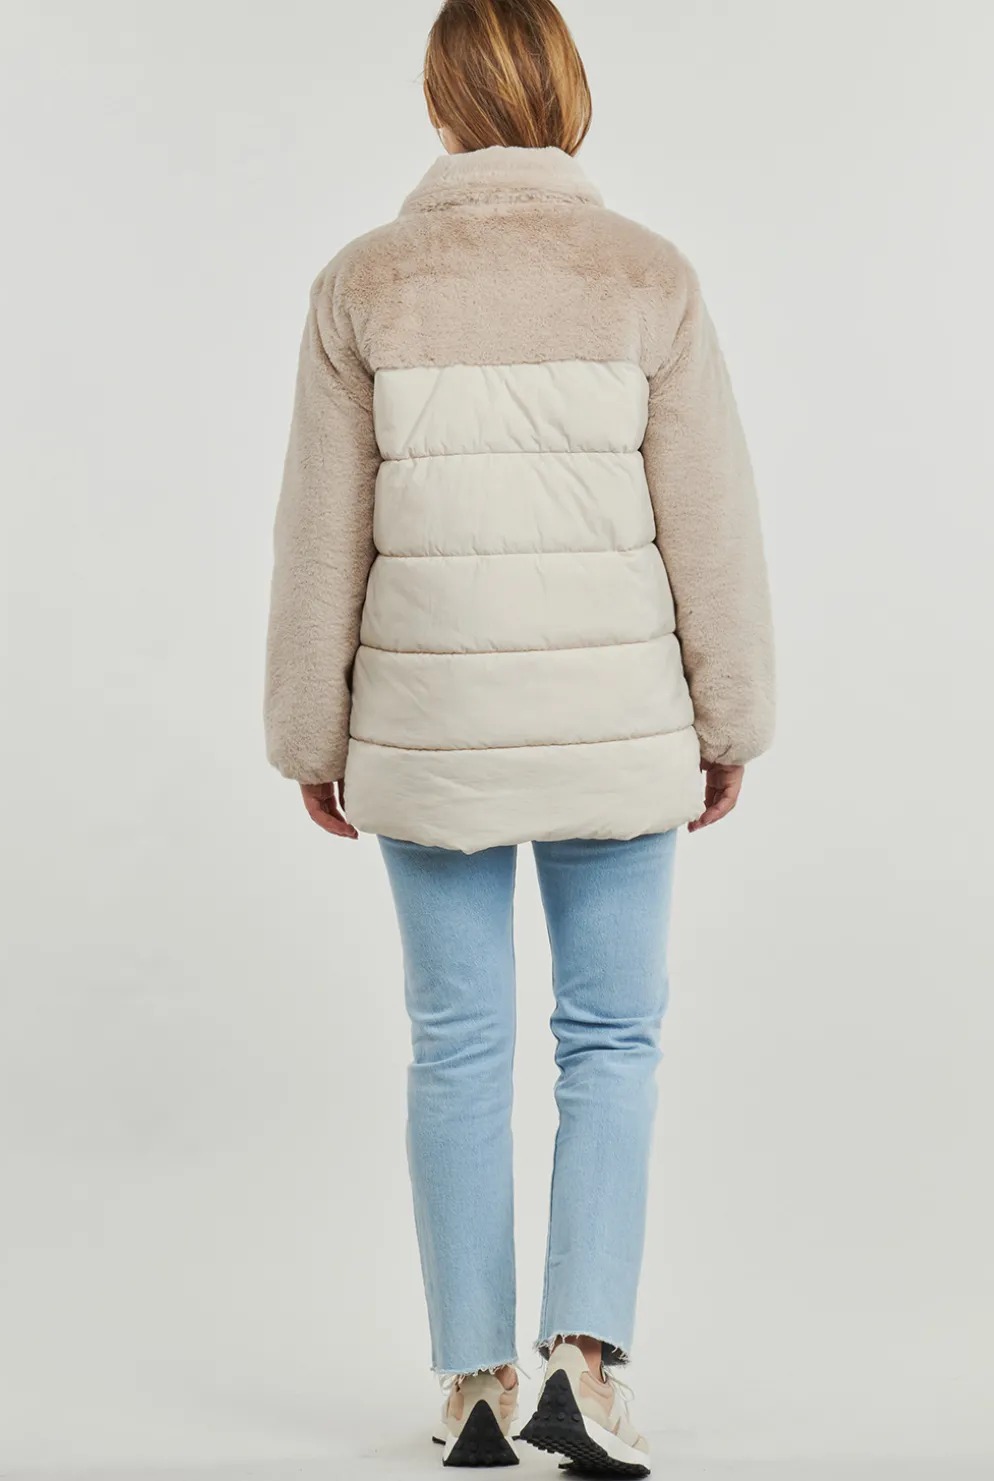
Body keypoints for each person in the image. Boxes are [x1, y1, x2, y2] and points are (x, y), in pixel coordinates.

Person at [264, 0, 774, 1471]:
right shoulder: (647, 277)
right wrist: (731, 716)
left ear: (440, 106)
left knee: (458, 1043)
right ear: (572, 100)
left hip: (430, 729)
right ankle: (585, 1366)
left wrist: (310, 733)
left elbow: (320, 537)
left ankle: (478, 1382)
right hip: (616, 720)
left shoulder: (366, 283)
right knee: (610, 1037)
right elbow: (711, 524)